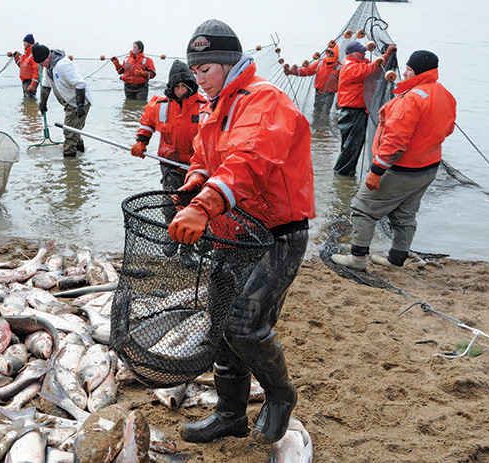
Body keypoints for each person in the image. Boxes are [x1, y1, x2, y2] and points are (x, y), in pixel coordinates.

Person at [168, 19, 315, 445]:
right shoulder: (214, 105)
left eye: (207, 68)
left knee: (246, 325)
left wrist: (203, 206)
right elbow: (203, 155)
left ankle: (281, 396)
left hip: (277, 235)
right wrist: (196, 180)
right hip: (235, 232)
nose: (198, 78)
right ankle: (230, 414)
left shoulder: (263, 100)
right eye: (195, 71)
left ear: (230, 64)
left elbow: (250, 162)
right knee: (221, 328)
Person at [332, 50, 456, 271]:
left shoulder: (410, 99)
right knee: (405, 215)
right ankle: (396, 260)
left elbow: (395, 141)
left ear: (414, 71)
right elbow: (448, 130)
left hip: (401, 169)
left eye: (407, 69)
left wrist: (376, 171)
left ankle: (357, 259)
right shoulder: (445, 94)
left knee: (363, 208)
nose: (404, 72)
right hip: (428, 168)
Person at [131, 59, 206, 258]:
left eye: (185, 86)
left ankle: (187, 249)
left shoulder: (205, 106)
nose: (181, 90)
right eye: (177, 86)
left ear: (192, 85)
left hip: (195, 167)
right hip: (170, 163)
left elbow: (214, 136)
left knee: (191, 206)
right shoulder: (160, 105)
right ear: (171, 87)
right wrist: (141, 141)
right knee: (169, 203)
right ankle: (171, 235)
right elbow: (147, 123)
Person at [334, 41, 396, 176]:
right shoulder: (350, 67)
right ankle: (341, 175)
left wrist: (384, 56)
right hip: (352, 112)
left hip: (356, 111)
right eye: (361, 51)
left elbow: (373, 65)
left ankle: (347, 173)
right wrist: (387, 54)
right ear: (352, 54)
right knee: (351, 146)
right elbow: (369, 70)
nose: (364, 52)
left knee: (352, 145)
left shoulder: (358, 63)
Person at [32, 43, 91, 157]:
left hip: (78, 103)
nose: (42, 66)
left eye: (42, 63)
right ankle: (81, 157)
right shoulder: (48, 67)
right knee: (74, 132)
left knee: (69, 133)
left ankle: (70, 166)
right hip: (69, 103)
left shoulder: (62, 65)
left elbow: (80, 84)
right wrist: (42, 102)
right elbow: (46, 85)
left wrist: (80, 106)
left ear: (47, 57)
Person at [285, 44, 341, 129]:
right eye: (328, 52)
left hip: (330, 94)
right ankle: (316, 128)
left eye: (332, 53)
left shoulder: (339, 67)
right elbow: (307, 70)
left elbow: (342, 84)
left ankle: (324, 129)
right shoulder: (320, 62)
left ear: (336, 54)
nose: (329, 54)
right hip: (318, 91)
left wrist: (340, 100)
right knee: (317, 111)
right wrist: (293, 72)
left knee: (325, 113)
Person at [13, 34, 40, 99]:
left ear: (29, 43)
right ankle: (29, 109)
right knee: (26, 99)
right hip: (25, 81)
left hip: (30, 81)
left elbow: (37, 70)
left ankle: (32, 109)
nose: (23, 44)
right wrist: (16, 57)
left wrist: (33, 84)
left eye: (25, 42)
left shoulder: (34, 54)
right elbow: (22, 66)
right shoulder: (26, 54)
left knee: (30, 99)